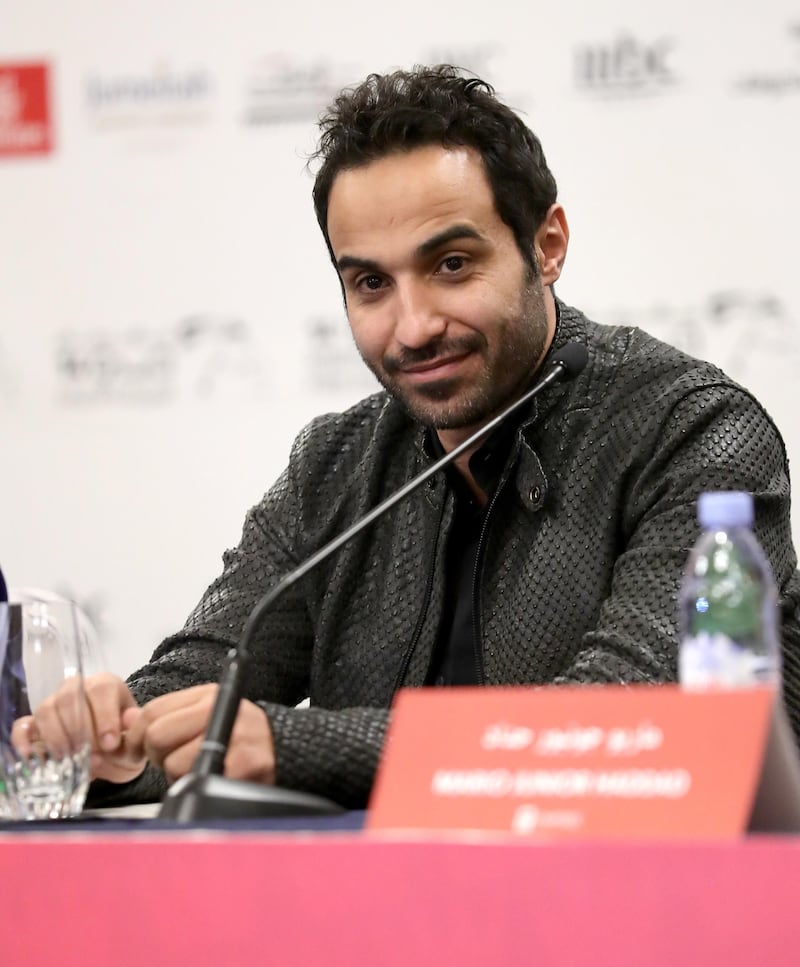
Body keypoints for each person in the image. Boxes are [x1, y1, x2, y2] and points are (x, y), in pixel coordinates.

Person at [15, 64, 800, 810]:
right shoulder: (332, 466)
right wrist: (113, 742)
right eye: (371, 284)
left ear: (548, 244)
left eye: (452, 264)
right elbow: (201, 677)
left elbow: (620, 728)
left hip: (647, 917)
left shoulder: (696, 431)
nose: (414, 327)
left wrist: (295, 744)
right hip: (387, 920)